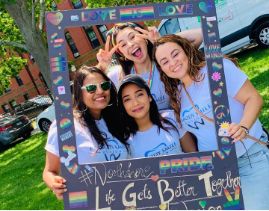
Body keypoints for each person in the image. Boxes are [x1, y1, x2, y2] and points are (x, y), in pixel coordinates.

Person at [153, 34, 269, 209]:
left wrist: (243, 126)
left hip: (247, 158)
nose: (172, 62)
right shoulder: (177, 94)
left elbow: (254, 99)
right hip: (216, 172)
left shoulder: (215, 69)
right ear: (162, 69)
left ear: (186, 49)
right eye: (164, 61)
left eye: (175, 54)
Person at [43, 66, 129, 200]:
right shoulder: (66, 126)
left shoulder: (114, 119)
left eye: (104, 85)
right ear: (79, 92)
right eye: (91, 88)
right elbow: (49, 171)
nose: (100, 91)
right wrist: (55, 183)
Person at [96, 22, 203, 110]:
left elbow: (199, 35)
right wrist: (102, 67)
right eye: (123, 44)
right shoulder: (120, 75)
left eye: (132, 37)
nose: (130, 44)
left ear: (144, 38)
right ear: (122, 54)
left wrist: (161, 41)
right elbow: (85, 88)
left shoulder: (165, 62)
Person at [117, 74, 197, 158]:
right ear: (123, 106)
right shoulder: (126, 142)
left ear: (149, 97)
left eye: (139, 94)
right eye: (127, 99)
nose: (135, 103)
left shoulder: (171, 117)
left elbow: (193, 153)